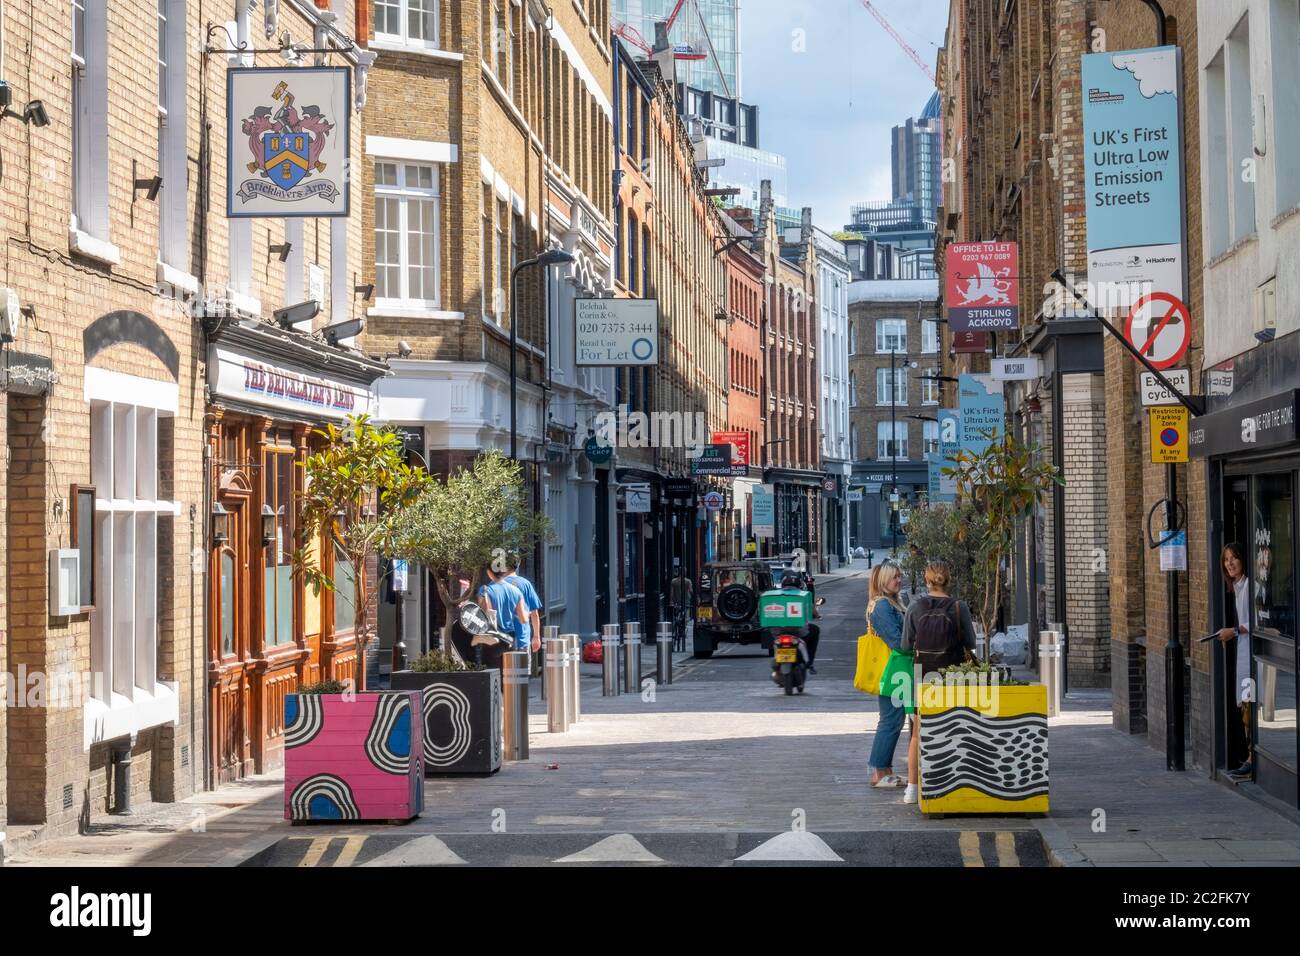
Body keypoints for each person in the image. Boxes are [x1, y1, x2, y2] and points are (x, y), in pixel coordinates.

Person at [899, 561, 978, 805]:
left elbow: (904, 645)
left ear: (927, 580)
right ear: (949, 579)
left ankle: (912, 789)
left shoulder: (915, 607)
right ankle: (953, 784)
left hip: (923, 674)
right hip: (954, 674)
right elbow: (971, 642)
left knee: (917, 734)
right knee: (957, 728)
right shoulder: (959, 607)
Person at [866, 560, 907, 789]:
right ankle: (878, 772)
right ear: (883, 580)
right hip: (892, 669)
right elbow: (897, 641)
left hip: (895, 669)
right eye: (894, 577)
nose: (898, 580)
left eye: (900, 576)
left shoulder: (889, 603)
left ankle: (885, 770)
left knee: (894, 719)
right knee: (890, 720)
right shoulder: (882, 606)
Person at [1216, 542, 1253, 779]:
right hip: (1244, 653)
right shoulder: (1238, 586)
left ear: (1243, 560)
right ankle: (1250, 757)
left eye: (1234, 558)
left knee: (1250, 706)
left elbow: (1260, 624)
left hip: (1252, 655)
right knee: (1246, 706)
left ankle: (1252, 759)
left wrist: (1234, 631)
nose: (1230, 563)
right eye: (1226, 559)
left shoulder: (1249, 586)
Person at [478, 565, 528, 663]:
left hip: (492, 640)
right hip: (510, 640)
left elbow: (482, 615)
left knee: (493, 676)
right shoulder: (516, 591)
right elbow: (523, 619)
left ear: (489, 572)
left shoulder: (485, 590)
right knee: (509, 675)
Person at [503, 553, 543, 657]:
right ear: (519, 564)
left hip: (502, 639)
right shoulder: (525, 584)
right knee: (523, 671)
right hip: (523, 637)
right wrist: (536, 637)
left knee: (504, 671)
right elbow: (535, 613)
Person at [779, 571, 820, 672]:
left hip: (778, 631)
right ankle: (809, 663)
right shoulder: (803, 596)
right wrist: (816, 615)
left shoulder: (775, 595)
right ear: (799, 582)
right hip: (798, 631)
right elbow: (813, 612)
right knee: (815, 630)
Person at [669, 568, 694, 651]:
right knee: (686, 618)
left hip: (676, 603)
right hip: (686, 603)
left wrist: (671, 602)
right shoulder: (688, 581)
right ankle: (683, 630)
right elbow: (691, 591)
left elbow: (671, 593)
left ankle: (676, 628)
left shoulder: (673, 581)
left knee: (676, 617)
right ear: (685, 573)